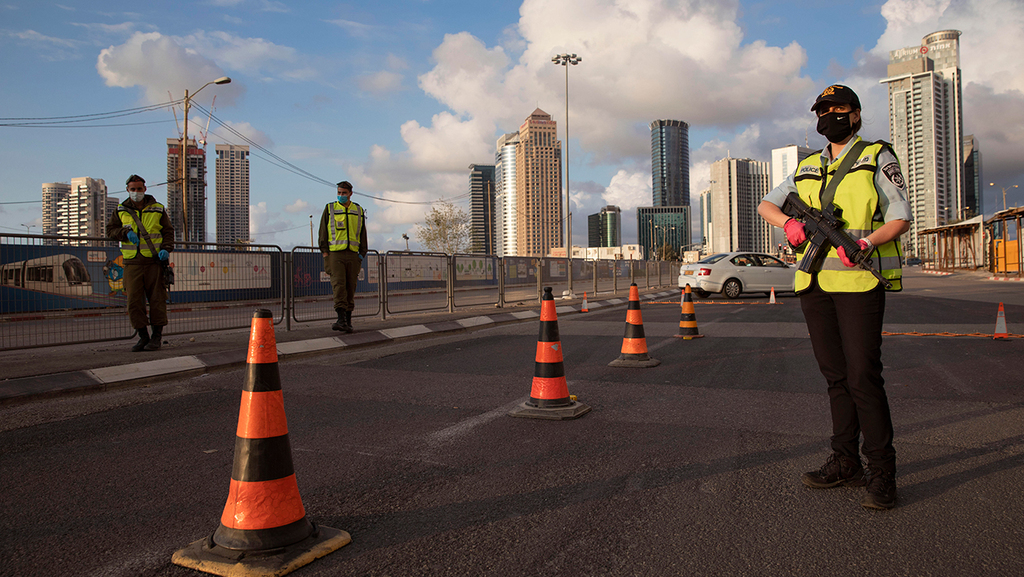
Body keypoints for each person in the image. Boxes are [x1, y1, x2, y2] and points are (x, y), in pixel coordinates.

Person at [757, 84, 912, 510]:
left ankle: (883, 472)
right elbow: (767, 204)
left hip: (859, 282)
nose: (830, 116)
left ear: (856, 115)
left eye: (839, 109)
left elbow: (900, 216)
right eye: (823, 111)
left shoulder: (876, 156)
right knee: (836, 379)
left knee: (864, 377)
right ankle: (846, 462)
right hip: (815, 286)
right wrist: (789, 224)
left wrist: (866, 244)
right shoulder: (807, 165)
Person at [106, 175, 174, 352]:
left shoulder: (158, 209)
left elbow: (168, 231)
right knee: (134, 302)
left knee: (157, 300)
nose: (136, 192)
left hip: (154, 262)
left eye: (139, 189)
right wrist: (124, 233)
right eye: (133, 189)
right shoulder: (120, 210)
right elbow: (110, 230)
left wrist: (166, 248)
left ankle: (156, 337)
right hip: (132, 263)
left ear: (145, 189)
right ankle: (143, 337)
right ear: (127, 190)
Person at [318, 181, 368, 333]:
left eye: (344, 193)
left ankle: (348, 321)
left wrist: (361, 254)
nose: (341, 196)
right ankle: (341, 319)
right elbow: (323, 232)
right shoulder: (330, 208)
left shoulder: (358, 210)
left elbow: (362, 233)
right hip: (335, 254)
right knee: (339, 285)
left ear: (350, 194)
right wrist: (325, 253)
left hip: (353, 254)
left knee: (350, 287)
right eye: (339, 193)